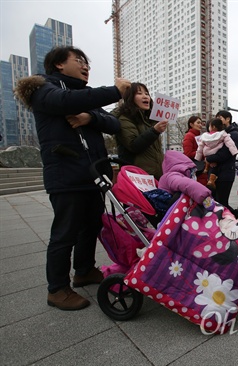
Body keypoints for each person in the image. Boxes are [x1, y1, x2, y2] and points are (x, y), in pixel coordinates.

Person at [13, 46, 131, 311]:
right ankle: (56, 289)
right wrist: (115, 91)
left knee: (90, 226)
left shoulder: (82, 98)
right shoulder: (44, 90)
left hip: (92, 175)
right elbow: (64, 103)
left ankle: (84, 270)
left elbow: (114, 124)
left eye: (87, 62)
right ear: (58, 65)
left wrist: (89, 117)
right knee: (64, 234)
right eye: (78, 61)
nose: (85, 66)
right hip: (66, 174)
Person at [113, 82, 167, 181]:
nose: (145, 96)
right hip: (138, 177)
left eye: (147, 94)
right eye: (139, 93)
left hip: (156, 175)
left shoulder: (149, 120)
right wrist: (154, 131)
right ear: (130, 97)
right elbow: (133, 145)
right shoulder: (124, 118)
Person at [207, 110, 238, 217]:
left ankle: (234, 216)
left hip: (225, 173)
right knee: (216, 200)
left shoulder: (233, 134)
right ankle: (231, 217)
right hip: (216, 172)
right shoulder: (220, 134)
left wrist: (208, 158)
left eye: (220, 118)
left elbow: (225, 154)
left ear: (228, 119)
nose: (218, 120)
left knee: (222, 202)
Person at [195, 118, 238, 190]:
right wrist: (234, 151)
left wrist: (198, 157)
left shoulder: (205, 136)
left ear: (213, 127)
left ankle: (207, 169)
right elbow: (230, 144)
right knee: (214, 166)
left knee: (211, 165)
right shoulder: (223, 134)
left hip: (207, 153)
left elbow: (200, 148)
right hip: (216, 152)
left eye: (209, 126)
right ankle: (211, 180)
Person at [182, 115, 208, 186]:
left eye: (201, 123)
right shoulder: (189, 136)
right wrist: (203, 153)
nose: (200, 125)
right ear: (191, 124)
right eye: (198, 123)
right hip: (196, 168)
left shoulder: (199, 136)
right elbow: (188, 153)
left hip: (201, 167)